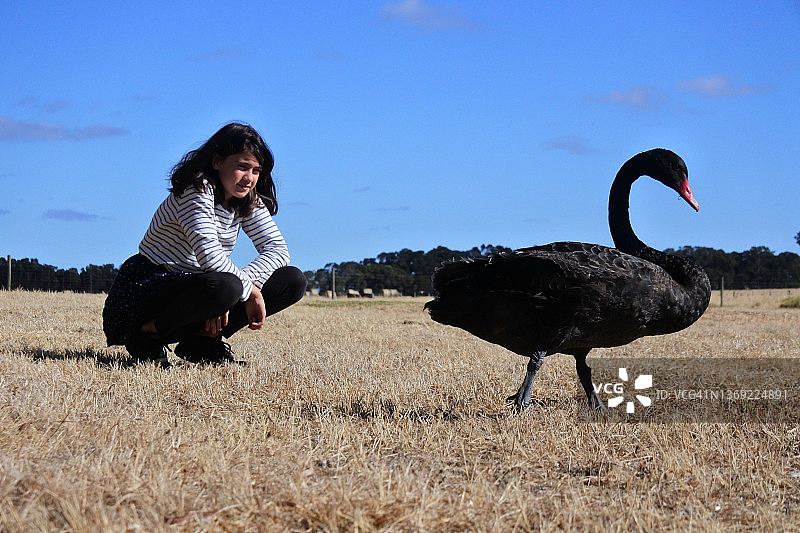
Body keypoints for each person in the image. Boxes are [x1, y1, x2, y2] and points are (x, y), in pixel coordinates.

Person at [103, 122, 307, 367]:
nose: (250, 178)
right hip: (148, 287)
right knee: (226, 285)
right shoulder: (195, 191)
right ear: (217, 161)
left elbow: (277, 249)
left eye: (256, 170)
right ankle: (147, 336)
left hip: (204, 287)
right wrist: (248, 291)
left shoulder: (246, 199)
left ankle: (201, 342)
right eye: (242, 167)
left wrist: (243, 285)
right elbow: (209, 256)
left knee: (292, 280)